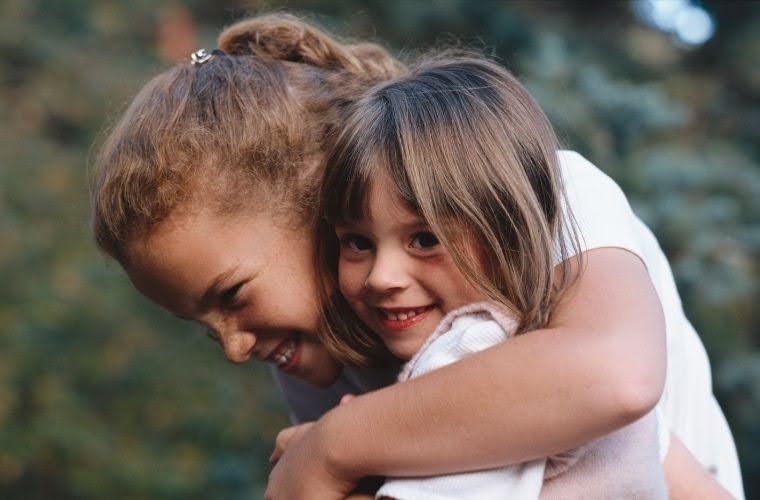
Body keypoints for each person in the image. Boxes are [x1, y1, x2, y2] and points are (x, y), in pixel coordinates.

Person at [89, 13, 743, 499]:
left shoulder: (546, 189)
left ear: (317, 200)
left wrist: (334, 447)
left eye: (232, 296)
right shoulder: (319, 346)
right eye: (204, 328)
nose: (234, 346)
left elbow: (614, 377)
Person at [315, 56, 673, 499]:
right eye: (357, 242)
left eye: (425, 239)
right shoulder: (554, 344)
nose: (381, 278)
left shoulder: (466, 350)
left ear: (509, 230)